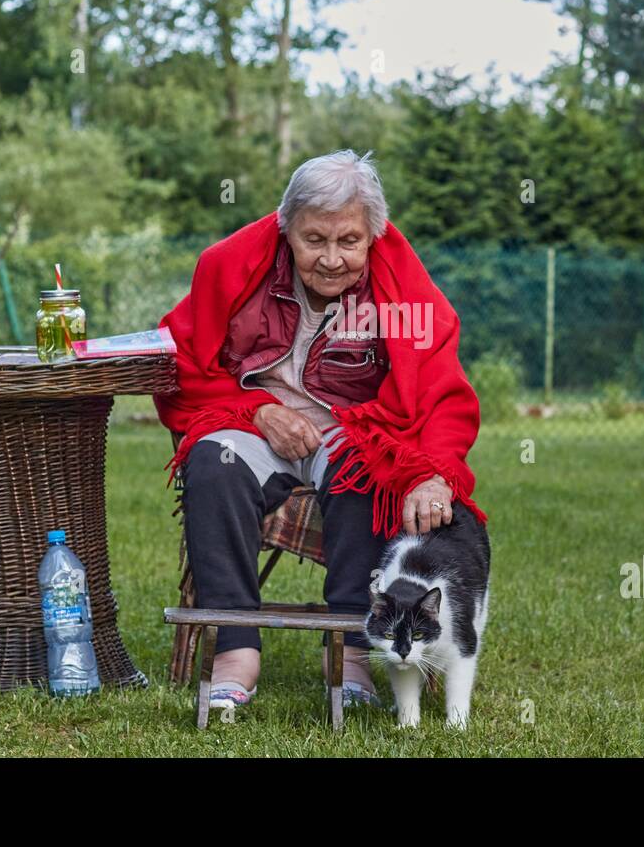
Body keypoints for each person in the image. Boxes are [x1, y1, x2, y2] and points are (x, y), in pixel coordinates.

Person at [154, 149, 487, 710]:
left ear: (372, 236)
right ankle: (236, 649)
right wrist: (255, 410)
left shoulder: (402, 284)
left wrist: (433, 475)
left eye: (348, 242)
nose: (332, 259)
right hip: (252, 424)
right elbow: (180, 359)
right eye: (314, 240)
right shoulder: (229, 264)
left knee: (365, 472)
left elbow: (442, 390)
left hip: (349, 434)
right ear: (287, 229)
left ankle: (354, 650)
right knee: (215, 463)